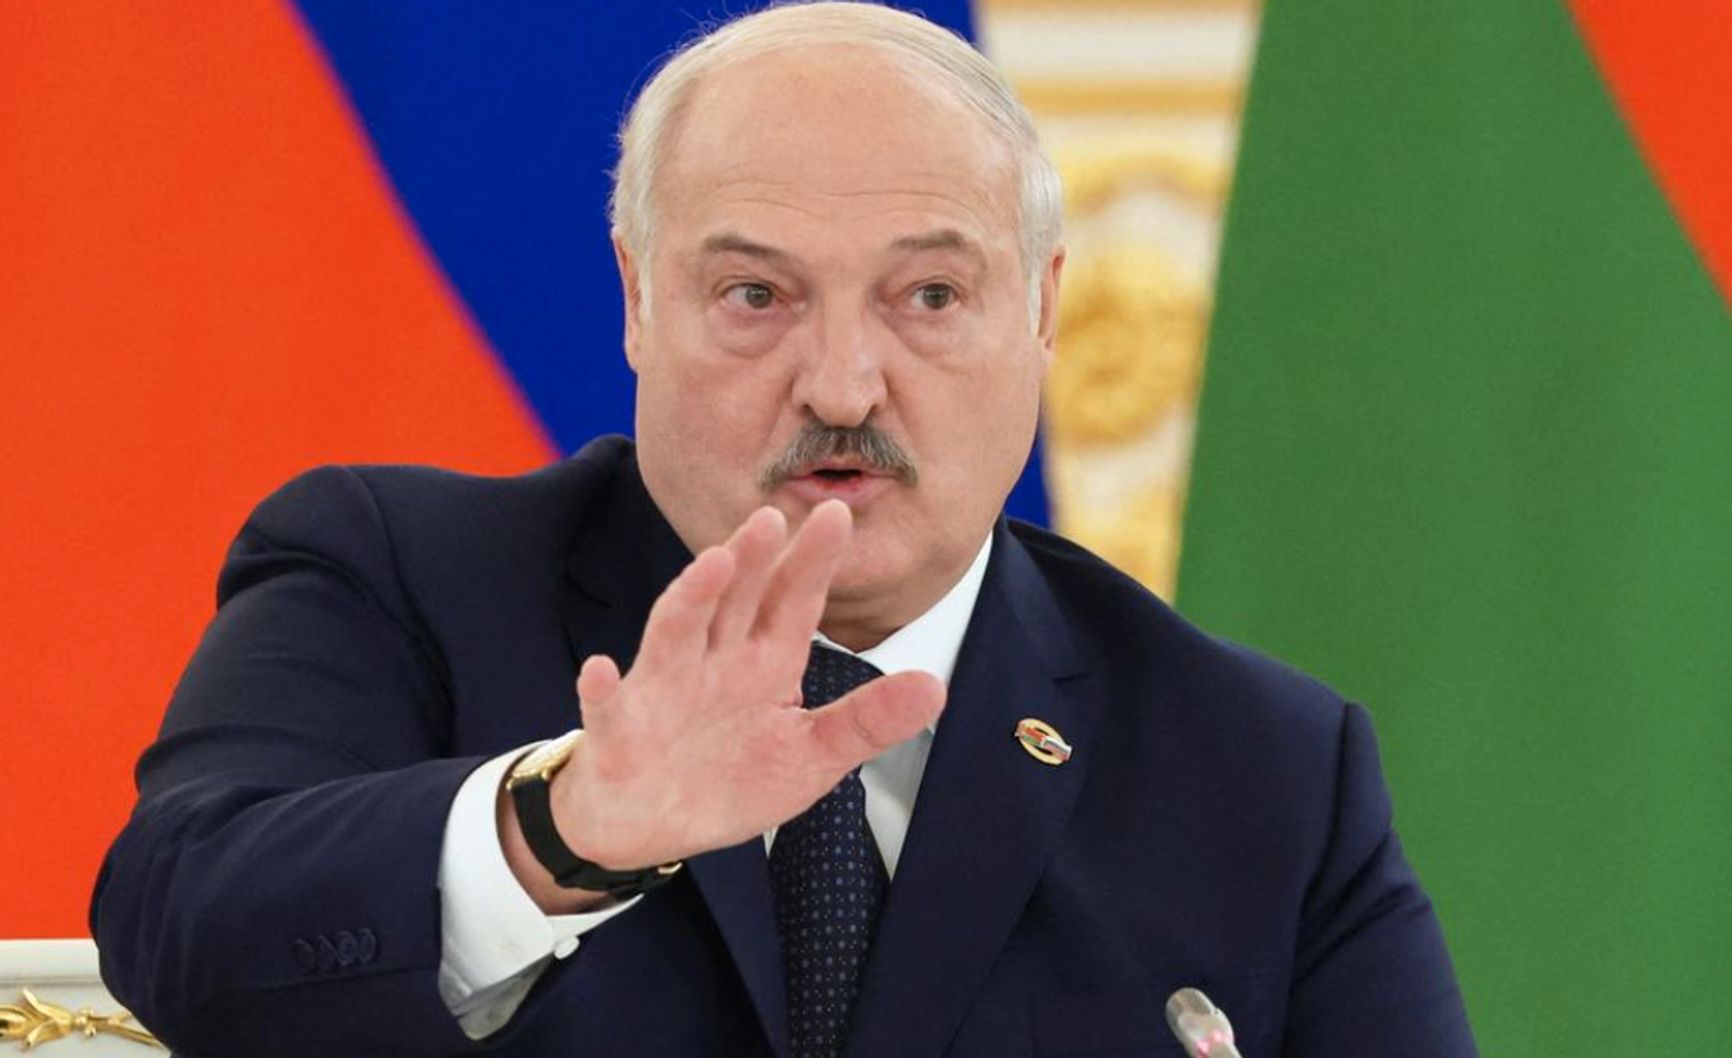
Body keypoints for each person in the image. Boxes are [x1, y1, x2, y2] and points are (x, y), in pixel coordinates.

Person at [91, 4, 1479, 1056]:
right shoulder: (398, 576)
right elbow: (175, 927)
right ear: (640, 301)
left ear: (1045, 311)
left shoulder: (1265, 769)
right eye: (757, 295)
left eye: (929, 297)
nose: (843, 386)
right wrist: (562, 829)